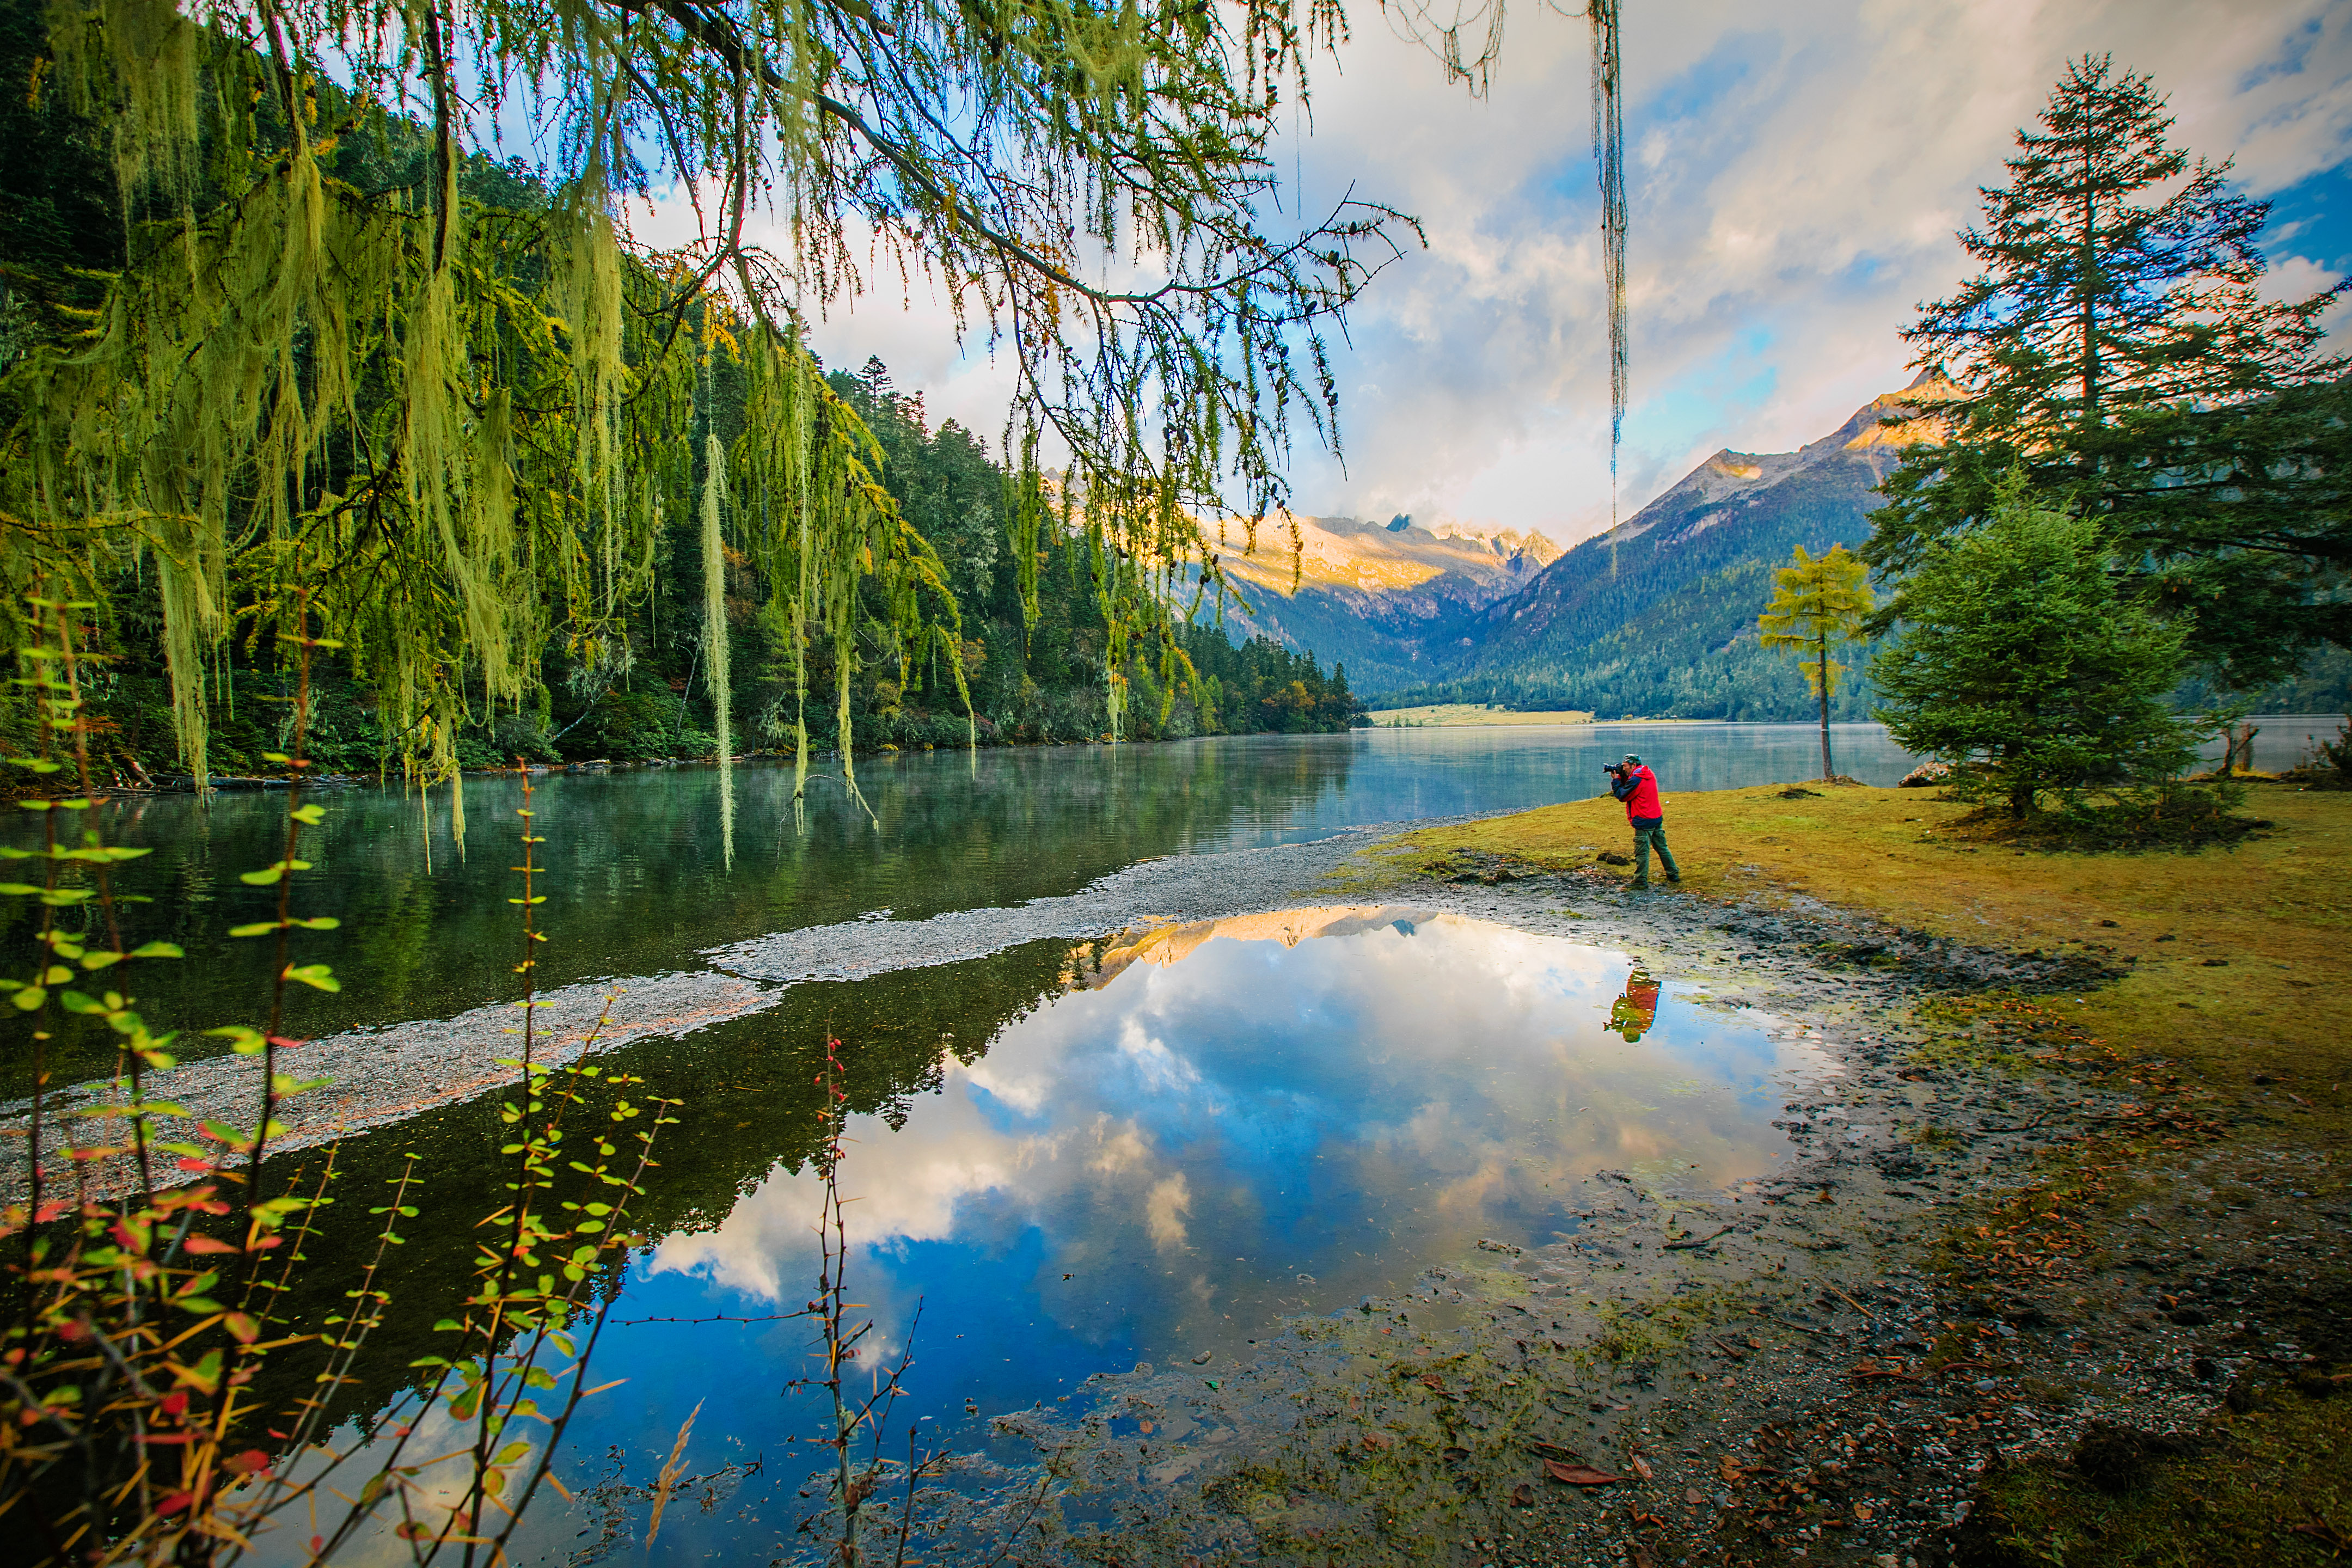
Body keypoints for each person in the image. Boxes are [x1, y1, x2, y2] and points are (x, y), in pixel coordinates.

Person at [1608, 752, 1681, 890]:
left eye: (1625, 766)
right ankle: (1673, 874)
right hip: (1655, 817)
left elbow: (1623, 796)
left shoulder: (1637, 779)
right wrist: (1623, 776)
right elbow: (1631, 786)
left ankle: (1640, 880)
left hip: (1643, 819)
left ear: (1634, 765)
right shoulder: (1647, 773)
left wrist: (1616, 781)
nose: (1623, 769)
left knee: (1642, 852)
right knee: (1662, 847)